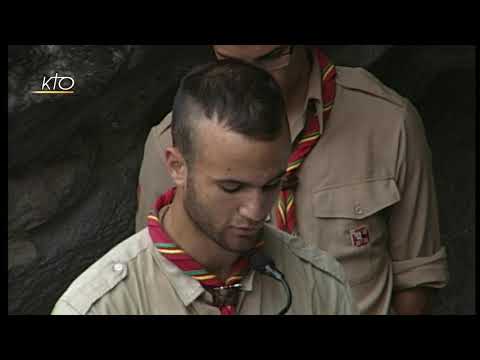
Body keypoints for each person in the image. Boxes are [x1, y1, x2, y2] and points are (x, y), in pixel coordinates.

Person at [136, 45, 449, 315]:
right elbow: (155, 279)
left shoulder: (388, 122)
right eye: (229, 61)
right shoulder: (174, 145)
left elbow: (416, 276)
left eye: (270, 57)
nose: (251, 79)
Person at [51, 59, 356, 315]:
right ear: (176, 167)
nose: (257, 211)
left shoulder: (321, 286)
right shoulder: (100, 308)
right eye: (232, 187)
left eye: (271, 185)